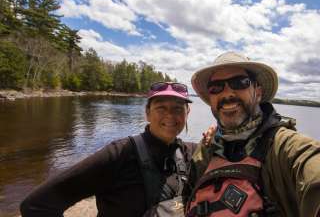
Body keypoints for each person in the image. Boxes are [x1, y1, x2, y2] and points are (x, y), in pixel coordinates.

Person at [20, 82, 197, 217]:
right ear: (147, 113)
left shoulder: (189, 154)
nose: (170, 115)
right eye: (161, 107)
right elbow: (36, 204)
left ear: (187, 113)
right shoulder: (119, 154)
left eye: (177, 108)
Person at [186, 52, 320, 217]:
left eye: (240, 83)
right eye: (216, 87)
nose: (227, 93)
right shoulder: (205, 150)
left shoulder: (286, 147)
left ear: (258, 92)